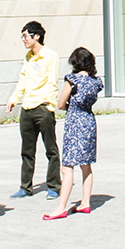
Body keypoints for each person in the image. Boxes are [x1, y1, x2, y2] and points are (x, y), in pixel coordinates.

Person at [44, 47, 103, 221]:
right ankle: (86, 202)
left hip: (74, 122)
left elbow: (61, 103)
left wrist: (72, 107)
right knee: (86, 165)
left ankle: (61, 207)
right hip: (89, 121)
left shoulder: (72, 79)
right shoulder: (96, 82)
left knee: (67, 167)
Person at [5, 20, 61, 200]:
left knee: (50, 149)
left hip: (43, 108)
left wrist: (49, 106)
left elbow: (53, 83)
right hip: (27, 108)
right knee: (27, 150)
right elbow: (23, 80)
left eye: (25, 36)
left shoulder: (51, 56)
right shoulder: (28, 57)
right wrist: (14, 99)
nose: (23, 40)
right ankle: (25, 186)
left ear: (36, 36)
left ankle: (53, 185)